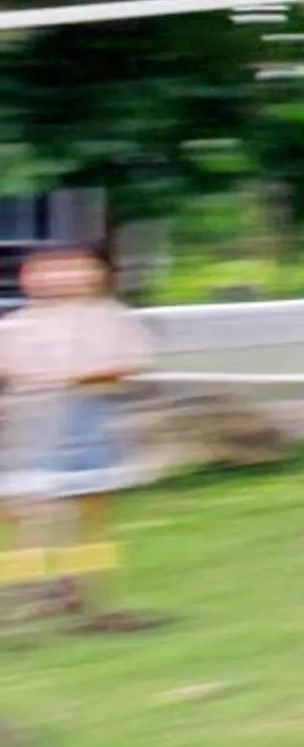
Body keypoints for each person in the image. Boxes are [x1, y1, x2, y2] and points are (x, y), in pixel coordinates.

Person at [0, 242, 157, 631]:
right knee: (30, 513)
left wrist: (72, 377)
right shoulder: (18, 325)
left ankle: (90, 591)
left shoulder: (109, 317)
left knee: (91, 514)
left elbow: (128, 362)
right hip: (34, 424)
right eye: (50, 270)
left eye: (76, 268)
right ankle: (29, 590)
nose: (65, 277)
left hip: (90, 422)